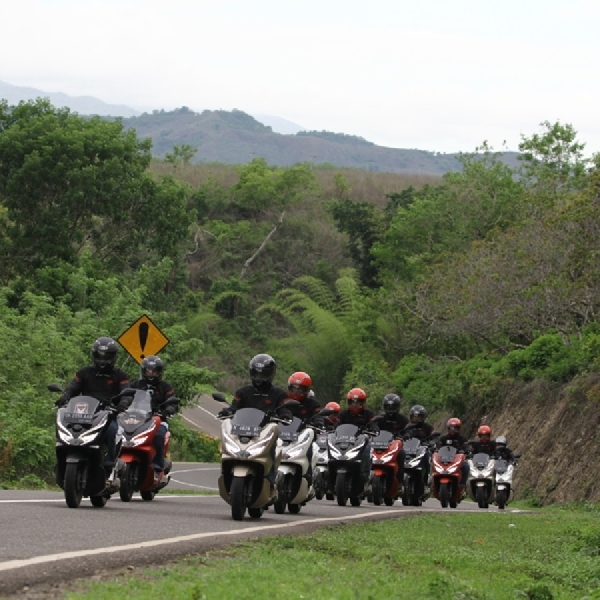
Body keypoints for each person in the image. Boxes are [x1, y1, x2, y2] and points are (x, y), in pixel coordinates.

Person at [55, 336, 130, 484]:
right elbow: (73, 388)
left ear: (113, 357)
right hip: (83, 415)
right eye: (99, 356)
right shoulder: (84, 372)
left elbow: (126, 392)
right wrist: (64, 397)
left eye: (107, 356)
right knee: (65, 427)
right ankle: (62, 464)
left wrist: (123, 403)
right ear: (94, 355)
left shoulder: (120, 375)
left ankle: (110, 466)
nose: (103, 360)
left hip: (108, 414)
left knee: (113, 430)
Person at [218, 353, 289, 491]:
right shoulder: (243, 392)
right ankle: (226, 472)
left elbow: (284, 409)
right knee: (226, 426)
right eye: (256, 374)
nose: (259, 377)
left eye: (263, 375)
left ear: (270, 374)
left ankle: (271, 477)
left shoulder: (279, 394)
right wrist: (227, 411)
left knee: (274, 437)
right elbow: (235, 407)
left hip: (265, 431)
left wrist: (285, 415)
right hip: (242, 430)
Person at [130, 355, 179, 484]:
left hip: (158, 419)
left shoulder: (165, 387)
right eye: (148, 371)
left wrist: (168, 410)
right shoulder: (136, 384)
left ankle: (157, 467)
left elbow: (172, 402)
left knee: (158, 435)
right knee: (120, 433)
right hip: (137, 418)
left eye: (154, 371)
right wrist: (121, 404)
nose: (150, 374)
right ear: (143, 371)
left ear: (159, 372)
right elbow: (126, 396)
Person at [285, 371, 323, 484]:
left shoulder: (312, 403)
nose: (296, 391)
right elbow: (275, 410)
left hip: (303, 436)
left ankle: (308, 476)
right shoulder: (284, 400)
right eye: (294, 388)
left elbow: (317, 415)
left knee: (309, 450)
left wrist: (319, 422)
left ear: (306, 390)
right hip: (284, 434)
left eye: (300, 389)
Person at [338, 387, 378, 484]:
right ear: (349, 402)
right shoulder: (343, 413)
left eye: (358, 402)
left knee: (367, 449)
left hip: (361, 440)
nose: (355, 405)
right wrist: (332, 428)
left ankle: (365, 474)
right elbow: (337, 424)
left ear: (363, 403)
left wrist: (374, 428)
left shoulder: (368, 414)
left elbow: (373, 424)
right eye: (353, 402)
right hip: (344, 440)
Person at [371, 393, 408, 487]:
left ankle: (399, 481)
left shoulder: (403, 420)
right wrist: (372, 429)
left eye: (393, 406)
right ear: (384, 407)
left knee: (402, 454)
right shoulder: (380, 419)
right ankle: (366, 478)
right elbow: (372, 425)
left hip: (395, 445)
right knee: (367, 452)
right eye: (388, 406)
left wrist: (406, 435)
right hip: (379, 444)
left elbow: (408, 430)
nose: (391, 409)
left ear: (398, 407)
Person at [437, 418, 470, 495]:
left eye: (455, 428)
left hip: (457, 460)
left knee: (466, 466)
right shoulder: (443, 439)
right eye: (451, 428)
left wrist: (466, 451)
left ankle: (462, 484)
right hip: (444, 459)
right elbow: (438, 446)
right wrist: (435, 449)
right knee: (434, 464)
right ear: (448, 428)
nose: (453, 430)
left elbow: (467, 447)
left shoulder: (462, 439)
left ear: (458, 429)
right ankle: (433, 483)